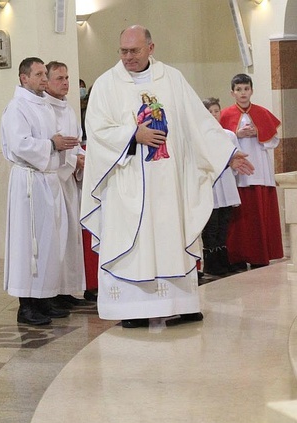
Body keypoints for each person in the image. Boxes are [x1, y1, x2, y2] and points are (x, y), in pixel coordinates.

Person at [80, 25, 254, 328]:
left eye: (134, 50)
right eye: (123, 51)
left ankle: (182, 304)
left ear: (151, 47)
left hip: (169, 183)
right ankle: (134, 309)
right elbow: (96, 131)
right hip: (128, 182)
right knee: (134, 245)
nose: (128, 57)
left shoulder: (171, 78)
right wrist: (134, 134)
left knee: (171, 237)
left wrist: (227, 153)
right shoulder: (107, 84)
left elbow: (197, 122)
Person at [1, 57, 73, 326]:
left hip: (48, 180)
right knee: (28, 244)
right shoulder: (17, 107)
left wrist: (62, 145)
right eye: (39, 74)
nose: (45, 79)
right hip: (28, 183)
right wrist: (51, 144)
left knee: (48, 244)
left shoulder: (42, 105)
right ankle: (27, 306)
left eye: (45, 74)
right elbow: (20, 145)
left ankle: (44, 298)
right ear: (24, 78)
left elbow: (52, 140)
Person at [220, 73, 282, 269]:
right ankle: (237, 256)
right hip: (238, 175)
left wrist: (259, 132)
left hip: (260, 170)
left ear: (252, 91)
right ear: (232, 93)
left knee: (260, 214)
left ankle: (260, 256)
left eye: (246, 89)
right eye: (238, 90)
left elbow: (274, 140)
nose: (243, 93)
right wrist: (236, 134)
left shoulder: (262, 112)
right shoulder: (226, 115)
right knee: (239, 219)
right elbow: (218, 141)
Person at [42, 61, 89, 310]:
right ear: (47, 82)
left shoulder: (69, 109)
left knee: (71, 237)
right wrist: (74, 159)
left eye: (67, 77)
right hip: (52, 182)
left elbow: (76, 142)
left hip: (69, 183)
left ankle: (67, 290)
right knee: (56, 238)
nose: (66, 83)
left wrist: (81, 157)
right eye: (59, 78)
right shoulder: (44, 109)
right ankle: (52, 292)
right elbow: (52, 146)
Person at [201, 97, 241, 276]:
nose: (214, 114)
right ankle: (211, 262)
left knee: (224, 223)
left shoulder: (229, 135)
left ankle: (223, 259)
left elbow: (237, 159)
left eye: (216, 111)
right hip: (212, 185)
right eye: (210, 111)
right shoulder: (200, 136)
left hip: (227, 184)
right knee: (212, 224)